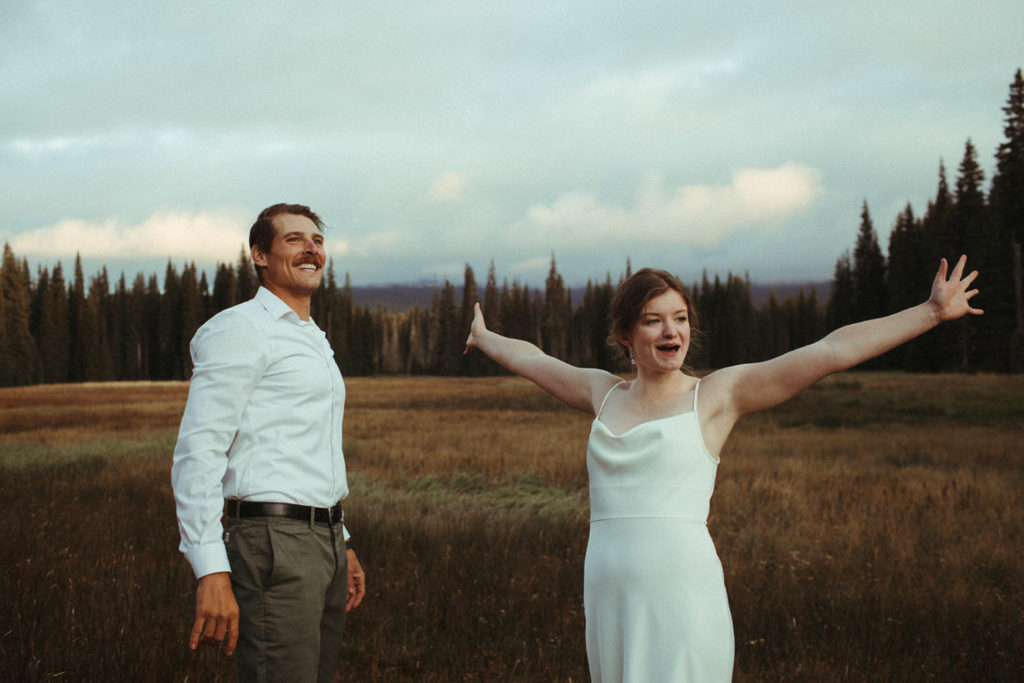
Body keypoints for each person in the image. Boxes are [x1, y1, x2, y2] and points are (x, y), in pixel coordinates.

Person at [464, 256, 982, 682]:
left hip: (682, 595)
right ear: (625, 334)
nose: (672, 331)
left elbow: (828, 352)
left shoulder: (714, 397)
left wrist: (931, 314)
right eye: (653, 320)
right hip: (609, 596)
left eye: (681, 318)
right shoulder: (602, 393)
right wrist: (487, 340)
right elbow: (534, 359)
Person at [171, 203, 366, 683]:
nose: (311, 250)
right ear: (259, 255)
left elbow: (306, 449)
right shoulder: (240, 329)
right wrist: (210, 568)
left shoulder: (311, 336)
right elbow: (199, 452)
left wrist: (341, 540)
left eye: (317, 241)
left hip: (324, 544)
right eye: (295, 240)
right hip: (273, 545)